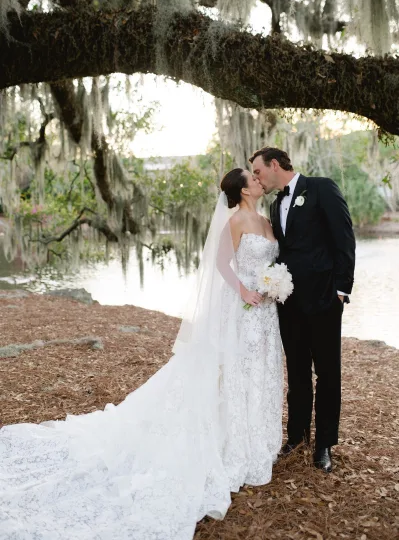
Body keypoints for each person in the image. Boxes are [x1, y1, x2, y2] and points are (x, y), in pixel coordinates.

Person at [0, 168, 283, 540]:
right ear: (243, 188)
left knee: (259, 373)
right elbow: (218, 265)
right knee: (233, 373)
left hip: (265, 313)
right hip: (243, 307)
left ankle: (255, 443)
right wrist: (245, 291)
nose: (260, 179)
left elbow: (271, 263)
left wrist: (276, 283)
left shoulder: (266, 219)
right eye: (254, 177)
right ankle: (233, 446)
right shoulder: (236, 220)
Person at [250, 147, 356, 473]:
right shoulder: (274, 203)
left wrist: (341, 291)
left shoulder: (321, 188)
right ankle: (296, 437)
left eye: (257, 171)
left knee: (327, 374)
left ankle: (324, 444)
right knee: (297, 374)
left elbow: (344, 239)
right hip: (289, 303)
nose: (256, 178)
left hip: (324, 301)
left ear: (275, 164)